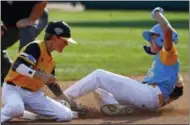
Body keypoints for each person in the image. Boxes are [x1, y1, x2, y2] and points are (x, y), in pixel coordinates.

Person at [62, 7, 184, 116]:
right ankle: (115, 107)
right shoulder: (164, 61)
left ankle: (63, 99)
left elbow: (167, 31)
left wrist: (157, 14)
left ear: (162, 40)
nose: (149, 42)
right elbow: (176, 93)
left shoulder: (169, 54)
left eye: (152, 38)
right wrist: (156, 106)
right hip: (148, 99)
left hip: (149, 95)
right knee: (100, 88)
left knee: (98, 75)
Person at [1, 20, 78, 123]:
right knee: (16, 108)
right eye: (65, 40)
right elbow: (18, 67)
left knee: (66, 115)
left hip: (33, 95)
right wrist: (40, 75)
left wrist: (70, 103)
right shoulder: (35, 47)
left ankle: (32, 114)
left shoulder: (51, 62)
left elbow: (51, 84)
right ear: (55, 38)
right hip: (13, 90)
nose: (66, 44)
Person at [1, 1, 48, 85]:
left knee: (27, 32)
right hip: (9, 22)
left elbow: (42, 1)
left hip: (35, 15)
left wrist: (31, 20)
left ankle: (24, 77)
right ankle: (8, 72)